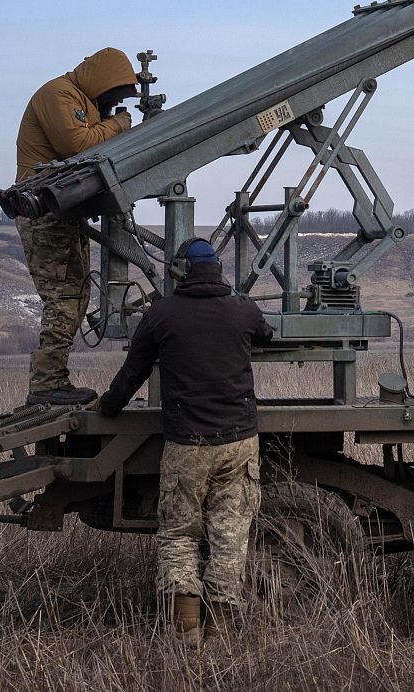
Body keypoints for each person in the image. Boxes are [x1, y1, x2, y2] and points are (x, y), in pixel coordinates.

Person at [98, 239, 274, 645]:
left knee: (179, 535)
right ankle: (220, 631)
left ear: (180, 272)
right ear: (216, 269)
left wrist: (108, 407)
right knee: (230, 535)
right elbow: (265, 335)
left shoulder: (161, 315)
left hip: (187, 445)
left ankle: (186, 632)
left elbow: (132, 374)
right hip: (238, 443)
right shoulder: (243, 309)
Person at [15, 47, 138, 406]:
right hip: (43, 212)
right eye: (111, 95)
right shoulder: (59, 94)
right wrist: (118, 124)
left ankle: (52, 380)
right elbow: (77, 145)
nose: (110, 104)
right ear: (100, 82)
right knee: (64, 298)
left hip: (60, 213)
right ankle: (46, 385)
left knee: (75, 295)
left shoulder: (77, 98)